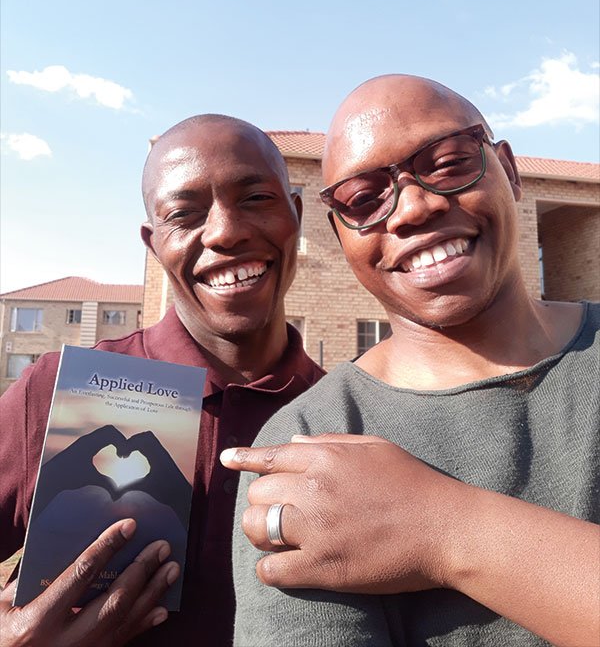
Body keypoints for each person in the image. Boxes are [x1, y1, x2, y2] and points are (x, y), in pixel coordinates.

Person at [224, 75, 600, 647]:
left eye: (448, 164)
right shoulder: (312, 438)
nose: (414, 208)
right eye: (363, 199)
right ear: (341, 237)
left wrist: (444, 528)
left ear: (509, 170)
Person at [0, 114, 324, 646]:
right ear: (154, 245)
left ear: (297, 213)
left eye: (256, 199)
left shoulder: (344, 415)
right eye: (184, 214)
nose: (226, 232)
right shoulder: (56, 391)